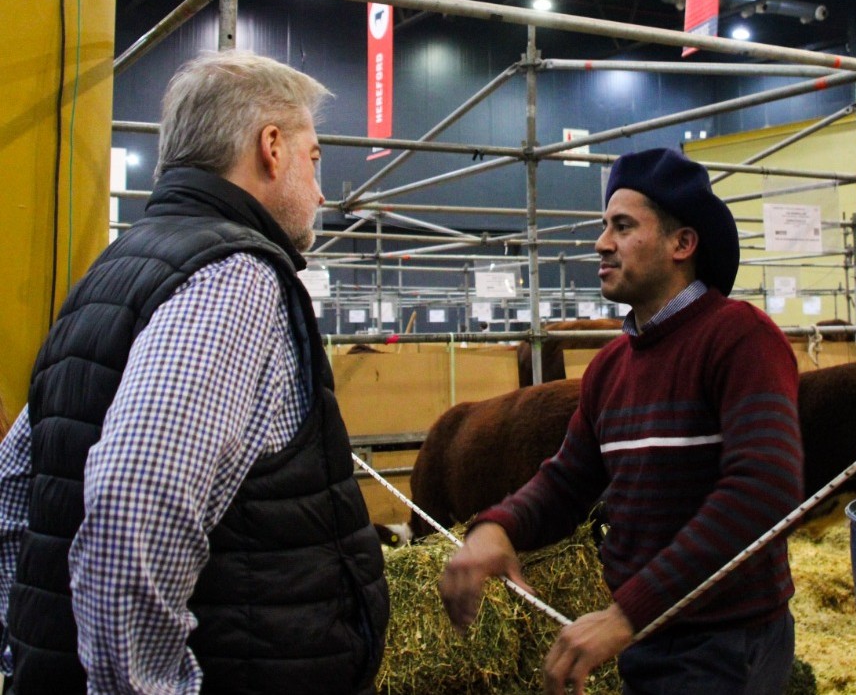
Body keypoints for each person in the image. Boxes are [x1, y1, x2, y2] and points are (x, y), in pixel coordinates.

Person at [0, 51, 388, 694]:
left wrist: (33, 650)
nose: (321, 192)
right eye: (314, 158)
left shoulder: (109, 272)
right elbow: (134, 501)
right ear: (270, 148)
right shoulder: (232, 278)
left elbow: (14, 492)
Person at [440, 147, 804, 695]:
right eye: (603, 225)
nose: (601, 243)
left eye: (623, 226)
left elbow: (764, 490)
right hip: (651, 636)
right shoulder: (612, 367)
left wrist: (627, 613)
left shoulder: (740, 339)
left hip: (728, 643)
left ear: (682, 244)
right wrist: (500, 527)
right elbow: (568, 479)